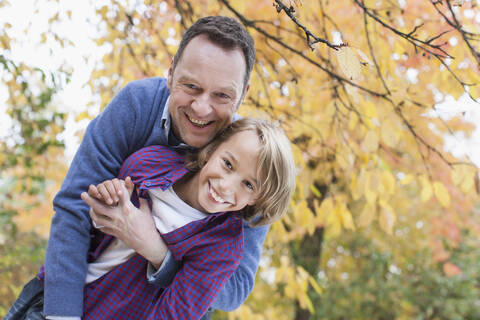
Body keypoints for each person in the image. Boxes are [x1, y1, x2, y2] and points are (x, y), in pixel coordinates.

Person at [4, 15, 274, 320]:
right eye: (191, 86)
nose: (201, 107)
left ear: (244, 94)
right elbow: (74, 207)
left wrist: (157, 251)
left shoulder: (252, 167)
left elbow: (234, 289)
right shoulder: (138, 106)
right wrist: (62, 316)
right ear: (171, 73)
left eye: (222, 95)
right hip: (75, 295)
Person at [71, 118, 295, 319]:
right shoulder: (150, 163)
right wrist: (106, 201)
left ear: (256, 199)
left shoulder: (222, 248)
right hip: (64, 298)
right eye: (227, 164)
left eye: (248, 184)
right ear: (211, 151)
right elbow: (92, 229)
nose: (225, 186)